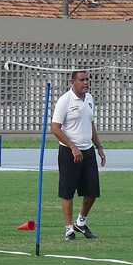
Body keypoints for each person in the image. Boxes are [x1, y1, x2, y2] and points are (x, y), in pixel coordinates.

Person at [51, 70, 106, 241]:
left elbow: (90, 124)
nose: (85, 83)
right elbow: (55, 128)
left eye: (87, 79)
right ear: (72, 82)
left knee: (92, 191)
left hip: (88, 150)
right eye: (81, 80)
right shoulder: (64, 101)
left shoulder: (89, 99)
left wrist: (99, 147)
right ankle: (69, 229)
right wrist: (73, 147)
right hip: (69, 152)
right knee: (68, 192)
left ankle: (81, 222)